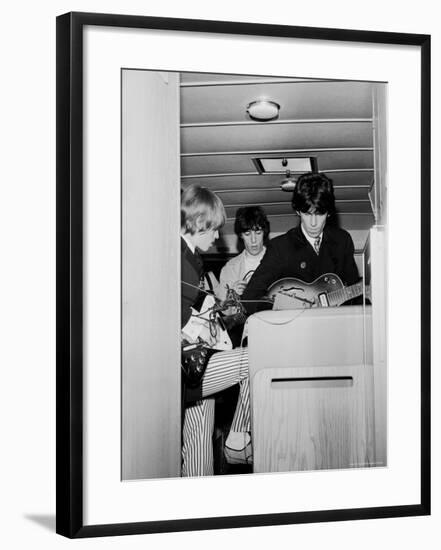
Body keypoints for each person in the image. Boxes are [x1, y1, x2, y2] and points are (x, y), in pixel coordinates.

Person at [181, 184, 251, 476]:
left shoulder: (191, 259)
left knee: (199, 442)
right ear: (199, 222)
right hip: (187, 370)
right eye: (213, 229)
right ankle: (237, 439)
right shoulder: (178, 258)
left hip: (193, 371)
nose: (218, 235)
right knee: (258, 358)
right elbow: (180, 322)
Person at [242, 172, 360, 313]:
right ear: (298, 211)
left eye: (320, 214)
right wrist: (290, 305)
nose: (313, 223)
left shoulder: (342, 241)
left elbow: (354, 294)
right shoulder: (280, 247)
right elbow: (249, 299)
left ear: (329, 212)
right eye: (307, 214)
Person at [217, 206, 270, 301]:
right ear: (241, 235)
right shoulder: (230, 268)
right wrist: (232, 295)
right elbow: (222, 310)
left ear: (264, 233)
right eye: (247, 234)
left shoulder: (278, 259)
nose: (253, 240)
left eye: (258, 233)